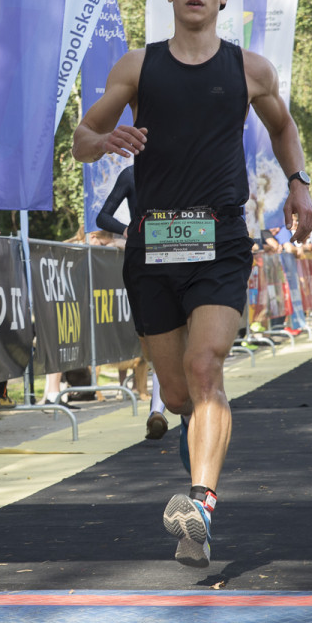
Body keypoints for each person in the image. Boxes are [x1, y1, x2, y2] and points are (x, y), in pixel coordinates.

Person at [71, 0, 312, 567]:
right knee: (178, 396)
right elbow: (82, 138)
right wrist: (106, 139)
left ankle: (201, 504)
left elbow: (283, 127)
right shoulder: (136, 66)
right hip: (152, 244)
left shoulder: (248, 69)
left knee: (207, 368)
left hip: (220, 240)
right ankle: (194, 514)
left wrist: (299, 185)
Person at [95, 166, 170, 439]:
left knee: (164, 333)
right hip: (144, 261)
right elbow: (102, 216)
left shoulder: (185, 166)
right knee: (152, 337)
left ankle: (159, 408)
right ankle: (162, 407)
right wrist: (130, 230)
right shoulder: (132, 174)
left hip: (176, 257)